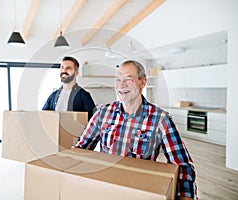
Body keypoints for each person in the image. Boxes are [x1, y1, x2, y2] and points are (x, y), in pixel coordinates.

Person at [74, 60, 197, 199]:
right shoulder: (102, 113)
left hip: (139, 191)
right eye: (118, 80)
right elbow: (80, 149)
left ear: (142, 83)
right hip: (106, 187)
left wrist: (185, 196)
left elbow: (183, 166)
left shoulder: (160, 119)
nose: (121, 85)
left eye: (128, 79)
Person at [42, 56, 96, 120]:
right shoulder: (53, 96)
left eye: (68, 68)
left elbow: (94, 121)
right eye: (62, 67)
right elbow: (43, 117)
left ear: (76, 72)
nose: (64, 71)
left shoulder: (84, 96)